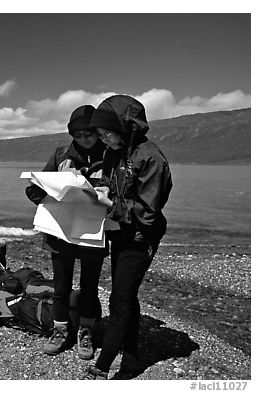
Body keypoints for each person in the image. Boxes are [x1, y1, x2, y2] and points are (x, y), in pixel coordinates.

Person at [83, 95, 173, 379]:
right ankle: (131, 353)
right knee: (126, 295)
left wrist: (109, 204)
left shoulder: (151, 158)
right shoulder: (113, 152)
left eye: (106, 133)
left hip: (141, 237)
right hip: (119, 232)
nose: (103, 140)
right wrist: (89, 185)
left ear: (126, 127)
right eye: (100, 135)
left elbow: (148, 212)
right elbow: (112, 185)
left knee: (119, 298)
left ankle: (104, 363)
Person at [25, 105, 108, 359]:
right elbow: (34, 189)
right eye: (78, 135)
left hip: (93, 230)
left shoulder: (110, 156)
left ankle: (86, 331)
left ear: (98, 132)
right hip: (60, 230)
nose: (84, 139)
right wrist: (43, 192)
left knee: (90, 285)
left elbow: (118, 191)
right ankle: (60, 330)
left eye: (89, 134)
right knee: (61, 287)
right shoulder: (61, 155)